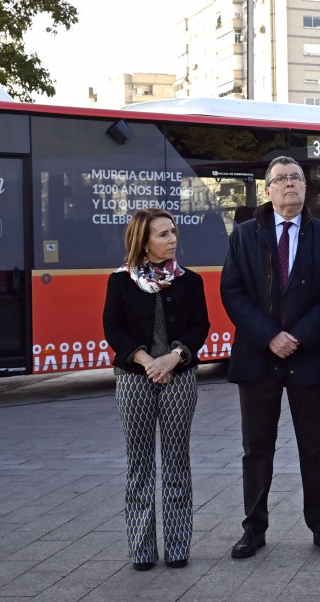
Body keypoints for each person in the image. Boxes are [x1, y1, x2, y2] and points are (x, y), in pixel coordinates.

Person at [220, 156, 320, 559]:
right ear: (267, 189)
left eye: (296, 178)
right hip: (259, 358)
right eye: (281, 179)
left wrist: (297, 335)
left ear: (305, 188)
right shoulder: (243, 235)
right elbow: (233, 292)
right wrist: (270, 336)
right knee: (257, 448)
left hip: (310, 357)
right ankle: (253, 530)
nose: (290, 184)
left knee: (316, 448)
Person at [102, 209, 209, 571]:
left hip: (178, 377)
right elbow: (113, 329)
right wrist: (149, 361)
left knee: (178, 463)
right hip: (135, 378)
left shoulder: (190, 281)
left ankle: (178, 547)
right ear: (143, 242)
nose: (172, 239)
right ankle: (141, 550)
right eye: (163, 234)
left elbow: (200, 327)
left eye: (174, 232)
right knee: (140, 465)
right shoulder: (120, 281)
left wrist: (173, 358)